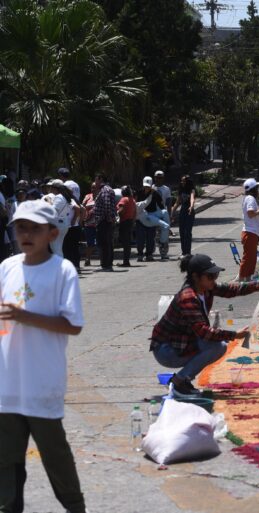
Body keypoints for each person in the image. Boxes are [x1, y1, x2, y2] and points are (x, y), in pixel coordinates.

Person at [0, 199, 86, 513]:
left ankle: (75, 507)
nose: (26, 234)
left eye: (34, 228)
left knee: (55, 455)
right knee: (6, 459)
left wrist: (25, 317)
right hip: (7, 383)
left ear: (52, 233)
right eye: (21, 227)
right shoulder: (6, 267)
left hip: (42, 383)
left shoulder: (62, 270)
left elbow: (72, 325)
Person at [150, 254, 259, 397]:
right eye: (210, 276)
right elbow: (204, 332)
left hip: (182, 342)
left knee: (217, 345)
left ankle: (184, 379)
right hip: (167, 350)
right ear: (196, 277)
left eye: (216, 275)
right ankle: (178, 382)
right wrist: (234, 335)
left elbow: (232, 289)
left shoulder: (206, 288)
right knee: (217, 347)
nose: (214, 279)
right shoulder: (188, 297)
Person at [238, 178, 259, 281]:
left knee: (251, 257)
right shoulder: (250, 198)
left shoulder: (247, 198)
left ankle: (247, 278)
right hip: (250, 232)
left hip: (251, 232)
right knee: (248, 257)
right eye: (257, 187)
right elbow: (251, 213)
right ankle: (242, 279)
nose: (258, 190)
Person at [136, 176, 171, 260]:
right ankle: (140, 254)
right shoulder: (139, 192)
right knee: (140, 237)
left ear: (151, 185)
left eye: (148, 186)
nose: (146, 188)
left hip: (152, 216)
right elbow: (135, 204)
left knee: (150, 237)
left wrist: (163, 217)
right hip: (141, 217)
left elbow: (162, 206)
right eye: (145, 186)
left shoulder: (155, 193)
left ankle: (149, 254)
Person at [93, 173, 116, 271]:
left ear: (100, 179)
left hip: (104, 220)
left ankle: (106, 264)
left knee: (104, 243)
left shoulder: (105, 190)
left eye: (96, 180)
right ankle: (107, 263)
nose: (95, 182)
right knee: (107, 242)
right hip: (105, 220)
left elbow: (107, 204)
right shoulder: (107, 189)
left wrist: (108, 217)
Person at [46, 179, 73, 257]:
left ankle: (59, 267)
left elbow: (53, 211)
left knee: (55, 248)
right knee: (58, 247)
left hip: (57, 224)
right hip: (63, 223)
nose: (50, 189)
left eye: (52, 187)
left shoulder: (59, 197)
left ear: (55, 188)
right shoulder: (65, 197)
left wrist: (48, 201)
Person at [171, 175, 196, 258]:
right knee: (182, 232)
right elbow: (177, 202)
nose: (182, 182)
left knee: (187, 232)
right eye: (181, 181)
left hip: (190, 212)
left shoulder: (191, 190)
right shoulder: (181, 190)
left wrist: (191, 206)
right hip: (183, 211)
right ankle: (183, 252)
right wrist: (172, 212)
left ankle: (187, 252)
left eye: (184, 181)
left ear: (187, 182)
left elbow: (192, 198)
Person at [116, 186, 136, 267]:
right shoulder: (132, 200)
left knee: (125, 243)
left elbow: (121, 210)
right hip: (130, 222)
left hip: (124, 222)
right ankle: (126, 261)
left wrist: (117, 213)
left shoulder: (124, 199)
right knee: (127, 243)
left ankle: (126, 262)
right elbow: (135, 212)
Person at [81, 182, 98, 266]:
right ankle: (87, 259)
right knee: (89, 242)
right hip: (88, 223)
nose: (93, 189)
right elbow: (82, 206)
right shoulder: (88, 196)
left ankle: (104, 260)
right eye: (92, 187)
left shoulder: (101, 196)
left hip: (99, 223)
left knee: (101, 242)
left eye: (95, 187)